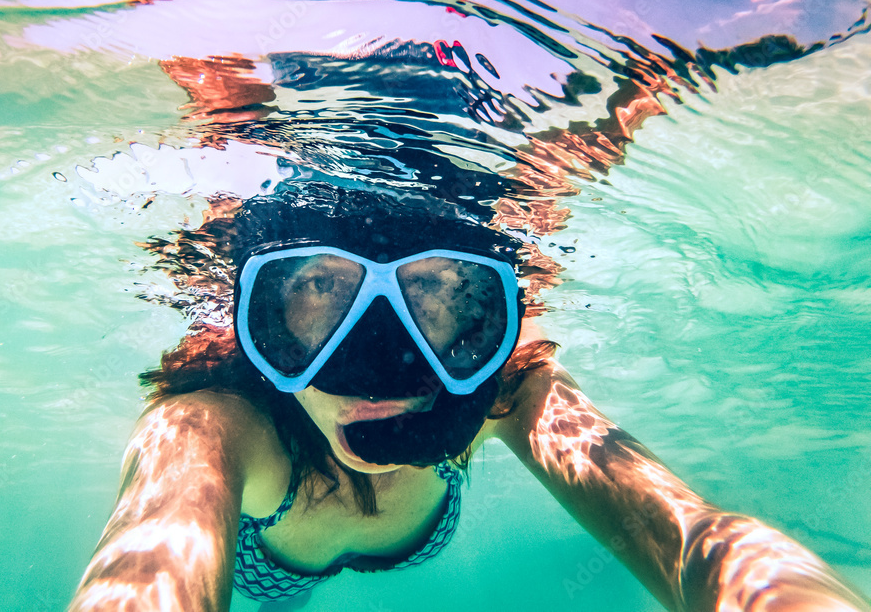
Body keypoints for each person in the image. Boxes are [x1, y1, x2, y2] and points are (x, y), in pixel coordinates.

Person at [67, 180, 869, 612]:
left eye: (439, 295)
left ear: (484, 320)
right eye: (315, 289)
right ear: (262, 316)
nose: (374, 367)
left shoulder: (500, 396)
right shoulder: (214, 425)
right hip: (267, 570)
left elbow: (693, 535)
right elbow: (161, 542)